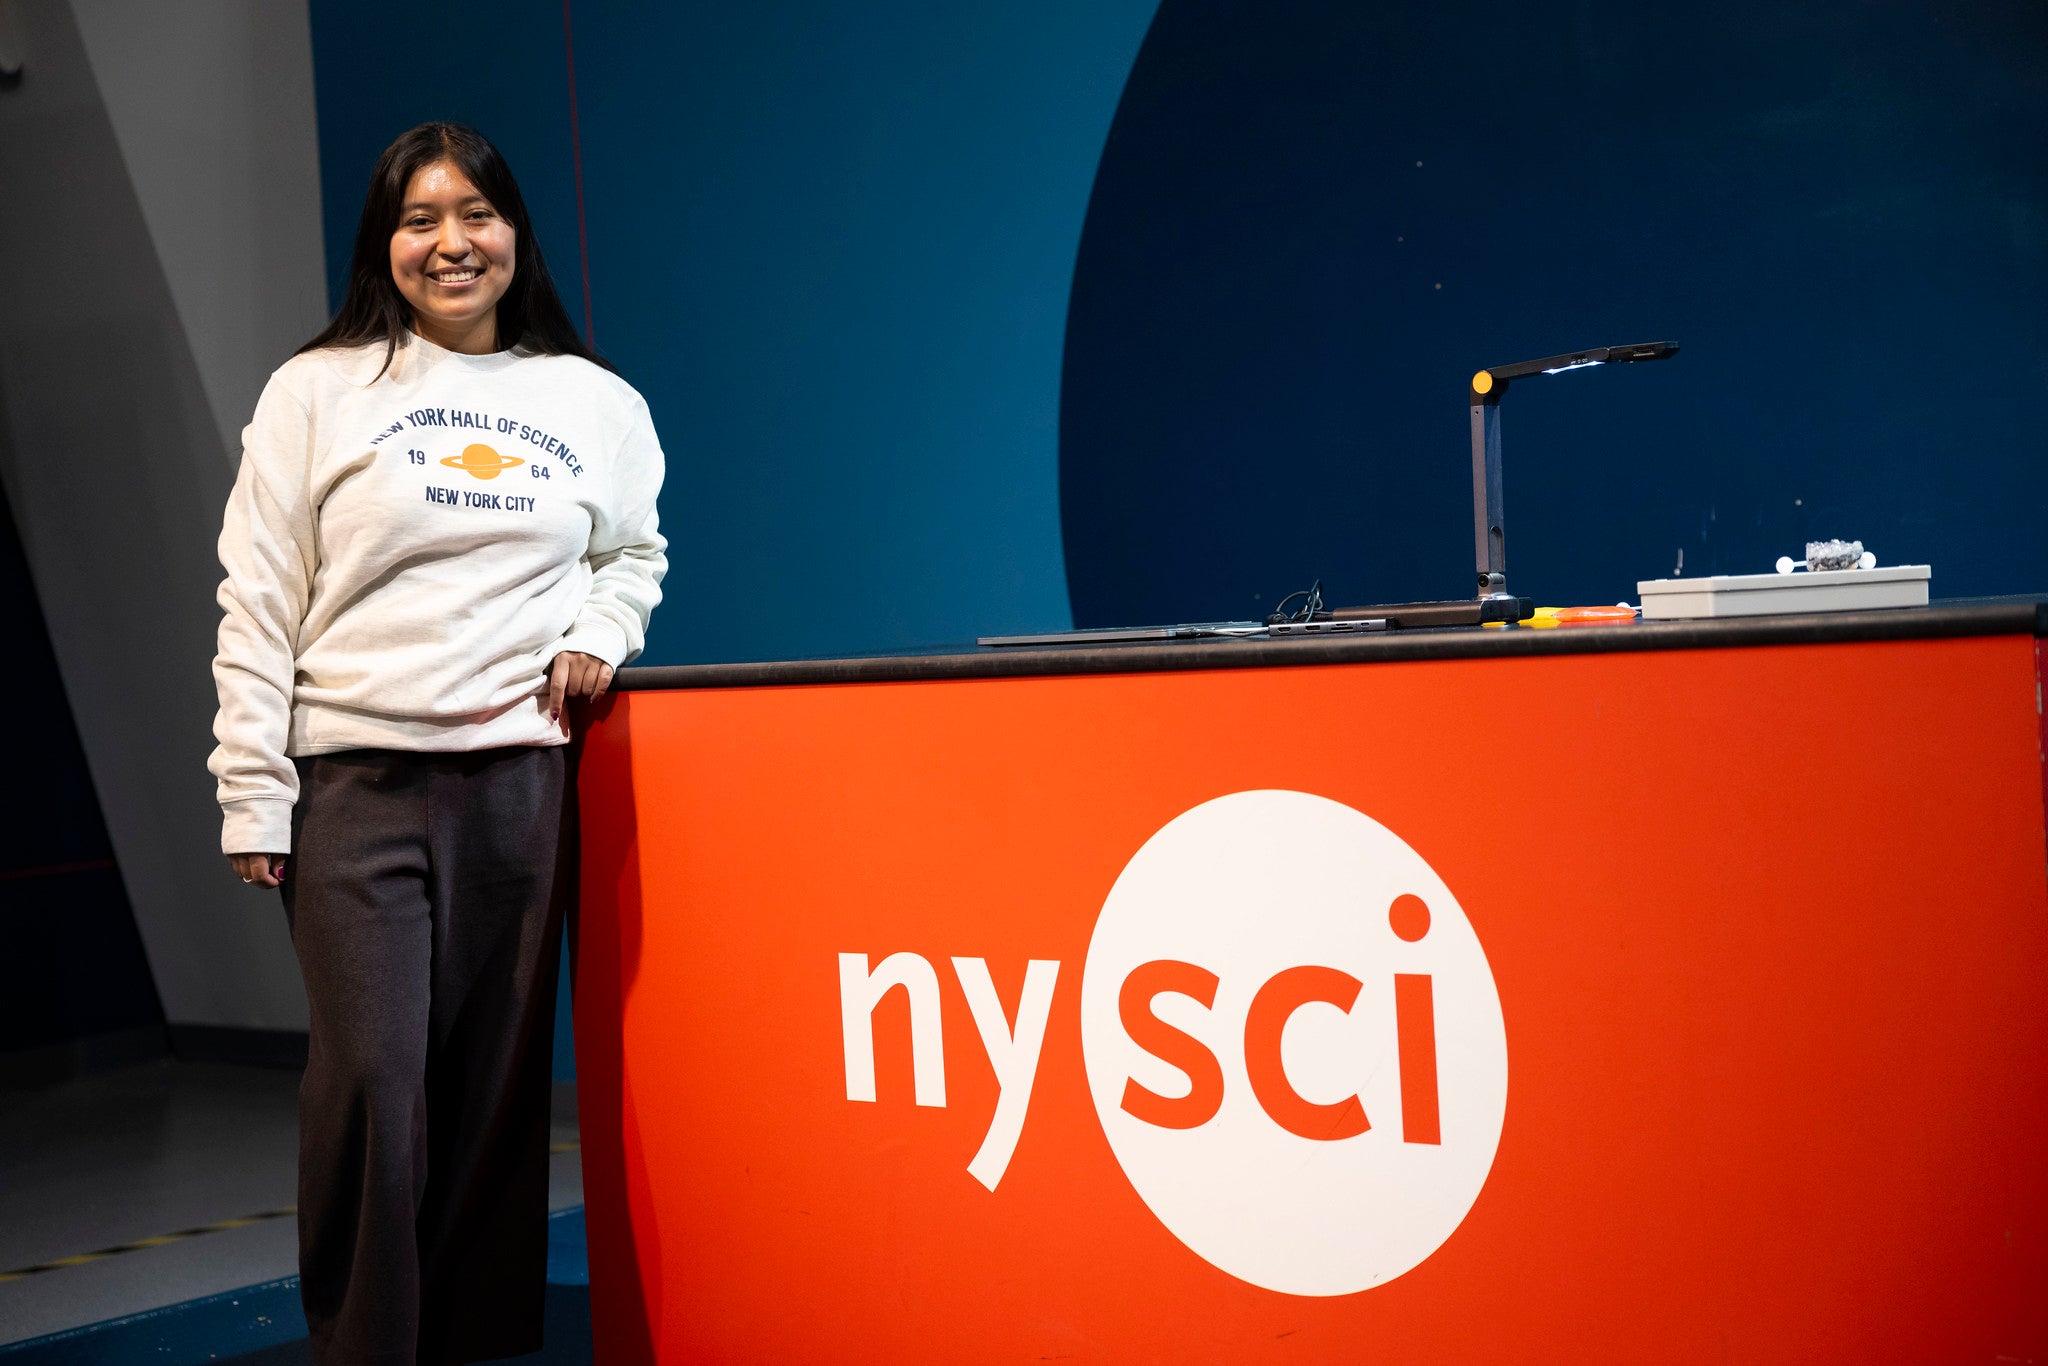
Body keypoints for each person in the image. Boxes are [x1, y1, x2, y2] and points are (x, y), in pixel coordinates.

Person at [208, 121, 667, 1365]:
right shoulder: (318, 390)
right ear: (385, 243)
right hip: (352, 786)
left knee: (491, 1086)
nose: (451, 243)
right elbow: (258, 596)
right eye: (420, 219)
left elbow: (632, 553)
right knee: (373, 1081)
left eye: (476, 214)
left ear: (514, 233)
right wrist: (252, 788)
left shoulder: (594, 401)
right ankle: (366, 1344)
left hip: (520, 782)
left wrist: (600, 630)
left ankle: (472, 1337)